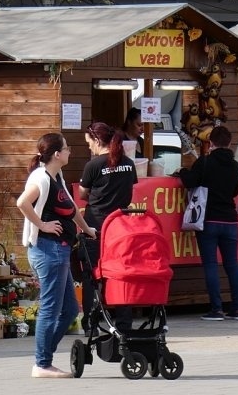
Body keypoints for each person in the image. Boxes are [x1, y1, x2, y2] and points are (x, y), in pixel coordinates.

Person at [16, 133, 97, 379]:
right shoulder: (41, 178)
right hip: (48, 250)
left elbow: (71, 209)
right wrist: (42, 225)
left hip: (59, 250)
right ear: (56, 154)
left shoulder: (57, 177)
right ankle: (42, 363)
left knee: (71, 309)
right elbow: (22, 203)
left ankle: (45, 354)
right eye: (66, 148)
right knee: (51, 309)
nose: (70, 151)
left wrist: (87, 229)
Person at [178, 125, 238, 321]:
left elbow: (189, 181)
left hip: (208, 220)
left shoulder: (205, 162)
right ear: (230, 143)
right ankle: (237, 308)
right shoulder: (235, 166)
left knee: (211, 265)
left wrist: (182, 171)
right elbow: (234, 192)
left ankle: (216, 309)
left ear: (211, 142)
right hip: (230, 220)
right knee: (232, 264)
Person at [78, 121, 138, 333]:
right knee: (121, 273)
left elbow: (83, 194)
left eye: (89, 143)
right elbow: (129, 191)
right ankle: (124, 323)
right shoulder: (129, 163)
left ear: (97, 140)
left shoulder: (93, 165)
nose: (89, 147)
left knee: (92, 274)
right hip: (121, 227)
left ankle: (91, 324)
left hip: (96, 226)